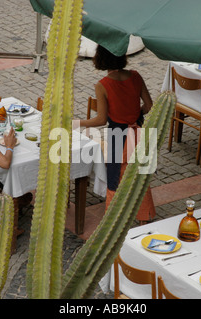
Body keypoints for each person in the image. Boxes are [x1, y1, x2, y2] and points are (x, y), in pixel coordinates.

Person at [78, 45, 156, 224]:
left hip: (117, 135)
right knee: (140, 175)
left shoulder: (103, 85)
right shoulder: (135, 76)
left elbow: (100, 120)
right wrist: (134, 116)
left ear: (100, 59)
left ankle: (113, 221)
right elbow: (149, 106)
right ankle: (144, 217)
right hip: (137, 131)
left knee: (115, 178)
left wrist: (77, 123)